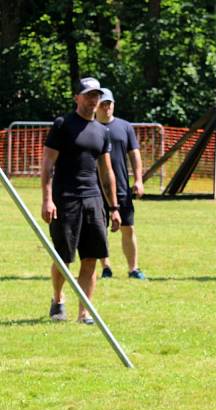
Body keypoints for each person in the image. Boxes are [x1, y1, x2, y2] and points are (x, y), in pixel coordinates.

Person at [40, 77, 122, 324]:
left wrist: (114, 207)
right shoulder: (62, 124)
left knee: (92, 257)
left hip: (93, 200)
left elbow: (107, 173)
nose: (93, 100)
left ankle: (84, 312)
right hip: (65, 199)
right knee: (63, 257)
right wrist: (47, 199)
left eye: (96, 96)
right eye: (88, 95)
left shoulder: (102, 131)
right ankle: (58, 299)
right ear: (77, 97)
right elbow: (47, 164)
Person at [95, 88, 145, 280]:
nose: (106, 107)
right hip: (96, 188)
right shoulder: (91, 127)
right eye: (103, 104)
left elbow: (135, 155)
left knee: (128, 228)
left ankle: (133, 269)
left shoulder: (124, 127)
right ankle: (105, 266)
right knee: (99, 230)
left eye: (109, 104)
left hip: (122, 188)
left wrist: (139, 180)